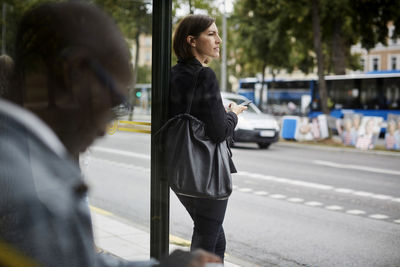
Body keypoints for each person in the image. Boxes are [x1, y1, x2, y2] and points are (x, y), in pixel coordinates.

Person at [0, 2, 221, 266]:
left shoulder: (38, 156)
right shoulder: (20, 184)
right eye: (112, 99)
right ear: (72, 73)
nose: (105, 128)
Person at [169, 14, 247, 261]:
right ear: (192, 40)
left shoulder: (171, 74)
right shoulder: (205, 75)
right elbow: (219, 132)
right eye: (211, 34)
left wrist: (218, 114)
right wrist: (233, 115)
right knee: (207, 242)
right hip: (206, 175)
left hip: (178, 170)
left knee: (213, 237)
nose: (219, 40)